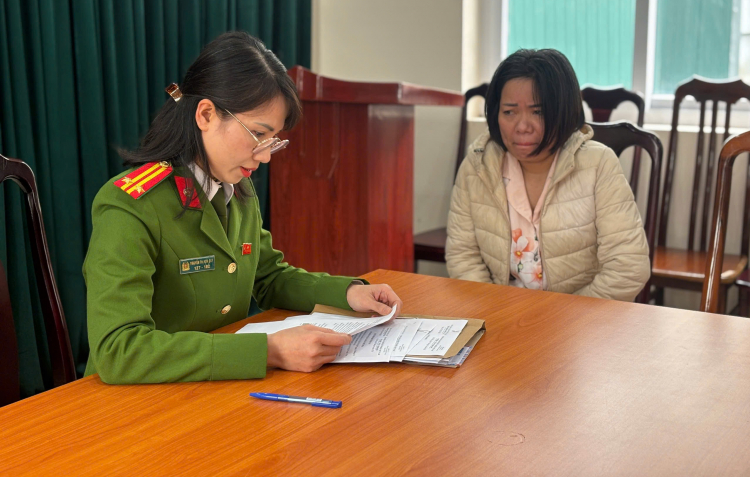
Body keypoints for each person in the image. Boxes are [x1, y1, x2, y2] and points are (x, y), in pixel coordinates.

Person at [83, 32, 402, 384]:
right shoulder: (131, 204)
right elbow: (118, 349)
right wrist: (269, 351)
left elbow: (268, 277)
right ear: (206, 114)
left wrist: (348, 293)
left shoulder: (236, 187)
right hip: (130, 401)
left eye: (273, 140)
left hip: (209, 388)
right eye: (257, 135)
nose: (265, 156)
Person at [446, 49, 649, 301]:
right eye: (509, 112)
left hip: (580, 319)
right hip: (500, 314)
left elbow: (628, 267)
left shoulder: (599, 165)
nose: (522, 126)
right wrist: (495, 310)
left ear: (564, 111)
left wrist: (562, 318)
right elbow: (463, 255)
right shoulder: (477, 165)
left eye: (538, 112)